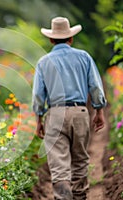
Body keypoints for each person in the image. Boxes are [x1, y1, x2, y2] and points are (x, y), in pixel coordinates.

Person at [32, 17, 107, 200]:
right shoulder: (84, 57)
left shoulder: (43, 62)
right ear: (71, 38)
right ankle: (80, 196)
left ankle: (63, 198)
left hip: (55, 114)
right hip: (80, 112)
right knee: (80, 160)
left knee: (59, 165)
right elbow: (95, 87)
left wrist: (39, 120)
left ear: (51, 39)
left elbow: (38, 96)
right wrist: (99, 111)